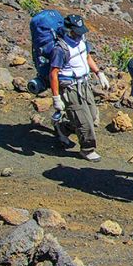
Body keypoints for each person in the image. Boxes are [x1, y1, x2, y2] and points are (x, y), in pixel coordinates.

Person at [49, 13, 109, 162]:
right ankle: (87, 149)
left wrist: (99, 73)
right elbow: (53, 73)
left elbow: (87, 56)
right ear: (69, 30)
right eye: (76, 32)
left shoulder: (81, 41)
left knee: (93, 115)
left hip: (84, 84)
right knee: (85, 122)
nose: (78, 35)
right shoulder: (60, 48)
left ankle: (62, 128)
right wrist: (56, 97)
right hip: (70, 87)